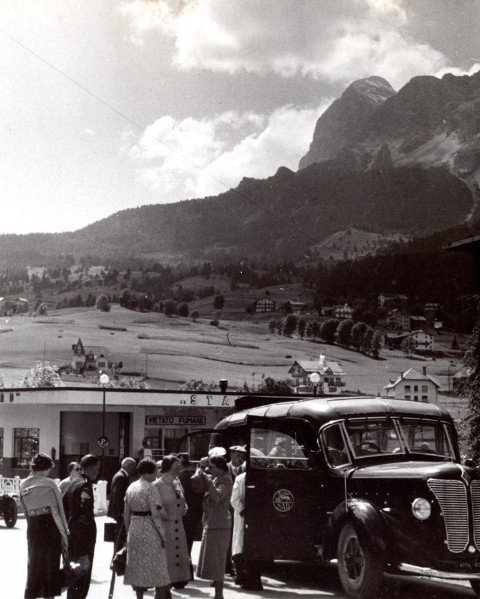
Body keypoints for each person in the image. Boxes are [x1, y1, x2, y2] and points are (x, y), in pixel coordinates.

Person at [20, 453, 70, 599]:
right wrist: (64, 533)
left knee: (33, 565)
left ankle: (31, 595)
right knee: (51, 567)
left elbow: (25, 511)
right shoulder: (50, 484)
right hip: (51, 527)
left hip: (34, 528)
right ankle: (49, 596)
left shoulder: (23, 484)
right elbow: (58, 510)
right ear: (47, 468)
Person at [124, 458, 170, 599]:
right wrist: (162, 536)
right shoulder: (151, 488)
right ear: (149, 473)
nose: (156, 474)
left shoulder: (131, 487)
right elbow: (156, 515)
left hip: (134, 527)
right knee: (158, 570)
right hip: (149, 529)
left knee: (138, 568)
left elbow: (126, 513)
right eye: (155, 471)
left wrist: (128, 533)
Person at [195, 455, 233, 599]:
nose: (208, 469)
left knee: (217, 561)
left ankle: (219, 595)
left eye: (211, 467)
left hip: (219, 525)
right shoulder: (218, 478)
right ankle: (218, 594)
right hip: (213, 523)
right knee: (213, 561)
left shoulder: (226, 479)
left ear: (219, 467)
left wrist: (206, 479)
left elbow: (217, 496)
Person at [63, 454, 100, 599]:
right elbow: (86, 502)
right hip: (84, 537)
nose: (97, 473)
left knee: (74, 572)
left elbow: (64, 505)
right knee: (83, 574)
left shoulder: (73, 483)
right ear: (90, 469)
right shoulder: (85, 484)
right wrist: (86, 520)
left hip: (72, 533)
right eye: (96, 469)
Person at [154, 454, 191, 591]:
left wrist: (184, 508)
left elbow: (182, 499)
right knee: (167, 560)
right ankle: (162, 593)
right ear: (169, 467)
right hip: (165, 527)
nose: (180, 468)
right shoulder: (157, 484)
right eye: (177, 466)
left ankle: (168, 591)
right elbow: (155, 505)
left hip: (178, 525)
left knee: (177, 561)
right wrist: (166, 515)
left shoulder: (177, 482)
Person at [230, 449, 263, 591]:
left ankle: (249, 579)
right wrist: (244, 510)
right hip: (249, 518)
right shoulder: (242, 478)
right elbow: (234, 500)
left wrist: (243, 510)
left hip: (249, 518)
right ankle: (250, 579)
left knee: (244, 548)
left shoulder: (242, 478)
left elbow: (235, 499)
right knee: (246, 548)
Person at [107, 457, 137, 551]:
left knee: (119, 538)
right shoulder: (121, 477)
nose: (134, 469)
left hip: (120, 513)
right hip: (120, 514)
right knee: (119, 538)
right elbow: (118, 497)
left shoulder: (121, 475)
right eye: (133, 466)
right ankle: (116, 560)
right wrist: (122, 512)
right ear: (126, 466)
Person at [178, 453, 204, 557]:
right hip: (193, 513)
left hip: (182, 514)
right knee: (189, 539)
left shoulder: (177, 478)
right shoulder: (194, 477)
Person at [225, 446, 246, 575]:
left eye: (243, 456)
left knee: (238, 538)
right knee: (227, 538)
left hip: (239, 511)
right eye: (238, 455)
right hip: (226, 510)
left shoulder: (244, 470)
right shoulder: (224, 468)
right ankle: (227, 566)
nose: (241, 458)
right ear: (231, 454)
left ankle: (238, 567)